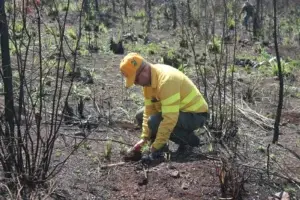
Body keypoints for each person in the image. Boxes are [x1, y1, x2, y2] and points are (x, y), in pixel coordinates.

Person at [120, 53, 209, 164]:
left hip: (195, 114)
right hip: (176, 111)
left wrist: (154, 148)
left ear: (144, 71)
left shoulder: (167, 81)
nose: (136, 83)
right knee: (140, 115)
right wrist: (145, 138)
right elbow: (149, 111)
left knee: (155, 122)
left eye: (136, 79)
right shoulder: (148, 83)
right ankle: (159, 144)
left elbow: (169, 119)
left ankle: (190, 141)